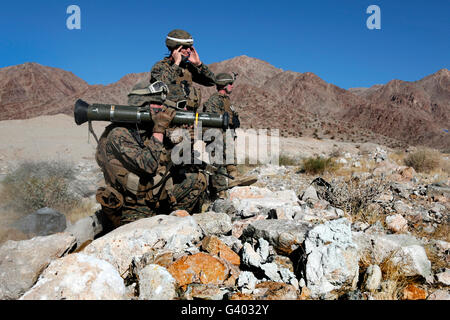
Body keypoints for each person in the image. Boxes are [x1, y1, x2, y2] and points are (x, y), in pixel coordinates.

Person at [94, 81, 207, 230]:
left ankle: (178, 224)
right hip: (133, 206)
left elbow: (166, 158)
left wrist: (184, 141)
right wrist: (159, 130)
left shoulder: (144, 129)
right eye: (155, 103)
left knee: (197, 180)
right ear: (142, 104)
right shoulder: (119, 133)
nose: (161, 108)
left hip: (153, 195)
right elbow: (148, 166)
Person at [202, 73, 256, 198]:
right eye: (230, 84)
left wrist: (233, 121)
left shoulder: (226, 100)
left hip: (226, 137)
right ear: (224, 85)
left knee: (229, 159)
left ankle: (233, 177)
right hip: (216, 138)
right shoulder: (214, 100)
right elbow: (211, 120)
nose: (232, 86)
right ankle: (219, 193)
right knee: (217, 164)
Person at [150, 29, 216, 111]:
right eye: (185, 47)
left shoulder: (188, 68)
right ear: (175, 48)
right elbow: (162, 83)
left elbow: (212, 81)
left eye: (190, 47)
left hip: (188, 119)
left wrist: (199, 64)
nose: (189, 51)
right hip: (167, 118)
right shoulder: (160, 67)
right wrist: (176, 64)